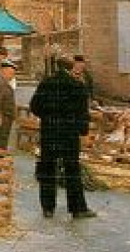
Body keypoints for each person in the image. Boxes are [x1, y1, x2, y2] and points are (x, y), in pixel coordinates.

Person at [30, 54, 95, 219]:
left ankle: (48, 208)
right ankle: (77, 208)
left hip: (50, 133)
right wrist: (84, 133)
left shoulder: (45, 83)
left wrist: (48, 117)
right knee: (72, 169)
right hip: (69, 134)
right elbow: (82, 113)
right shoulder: (77, 86)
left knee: (48, 169)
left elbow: (35, 107)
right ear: (70, 68)